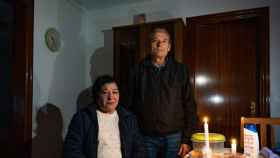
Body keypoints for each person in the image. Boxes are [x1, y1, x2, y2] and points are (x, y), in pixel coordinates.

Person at [125, 28, 197, 158]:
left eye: (164, 41)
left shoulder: (180, 70)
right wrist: (133, 135)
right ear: (150, 45)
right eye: (155, 41)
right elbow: (128, 105)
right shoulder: (137, 71)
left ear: (169, 47)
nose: (160, 45)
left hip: (174, 137)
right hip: (145, 137)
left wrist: (186, 139)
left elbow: (189, 104)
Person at [64, 75, 145, 158]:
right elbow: (71, 150)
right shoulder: (83, 118)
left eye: (115, 92)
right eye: (105, 92)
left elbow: (139, 150)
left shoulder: (128, 118)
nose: (111, 97)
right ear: (97, 95)